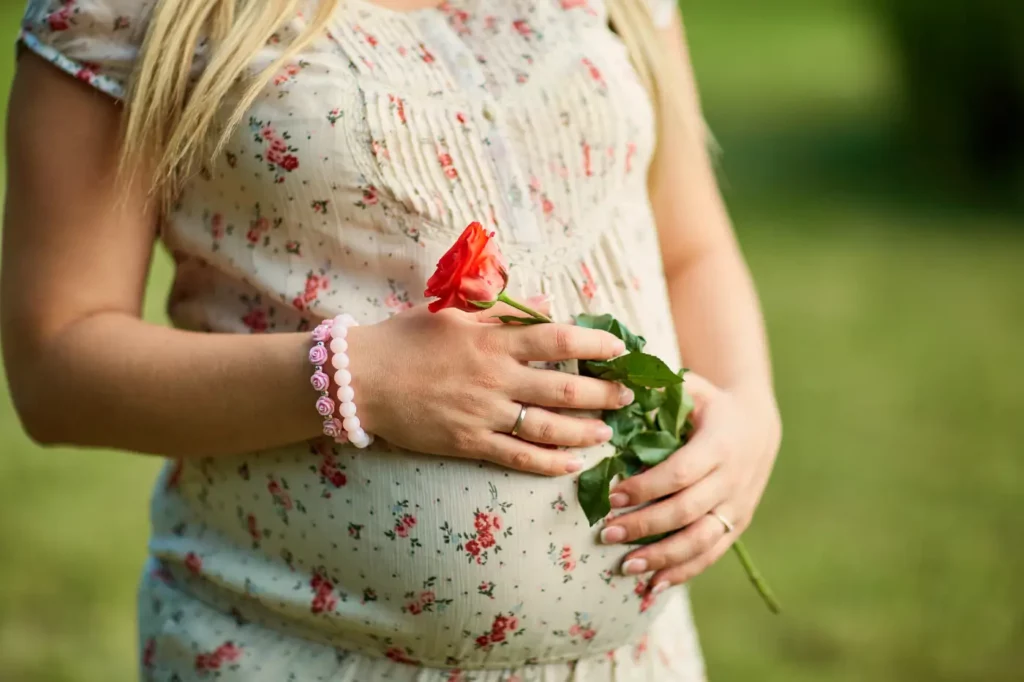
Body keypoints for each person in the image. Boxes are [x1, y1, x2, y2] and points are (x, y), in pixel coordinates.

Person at [1, 0, 781, 679]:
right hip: (294, 656)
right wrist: (356, 378)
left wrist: (750, 413)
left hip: (638, 664)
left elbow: (692, 247)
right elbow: (55, 364)